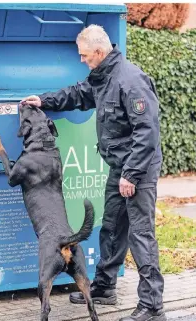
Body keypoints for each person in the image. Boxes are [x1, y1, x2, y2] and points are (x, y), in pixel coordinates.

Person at [21, 25, 166, 321]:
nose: (83, 60)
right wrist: (43, 101)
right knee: (111, 227)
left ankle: (152, 306)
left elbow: (147, 133)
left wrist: (132, 175)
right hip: (120, 167)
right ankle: (104, 287)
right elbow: (79, 94)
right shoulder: (103, 76)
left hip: (138, 170)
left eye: (85, 56)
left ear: (99, 53)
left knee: (141, 236)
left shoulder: (131, 81)